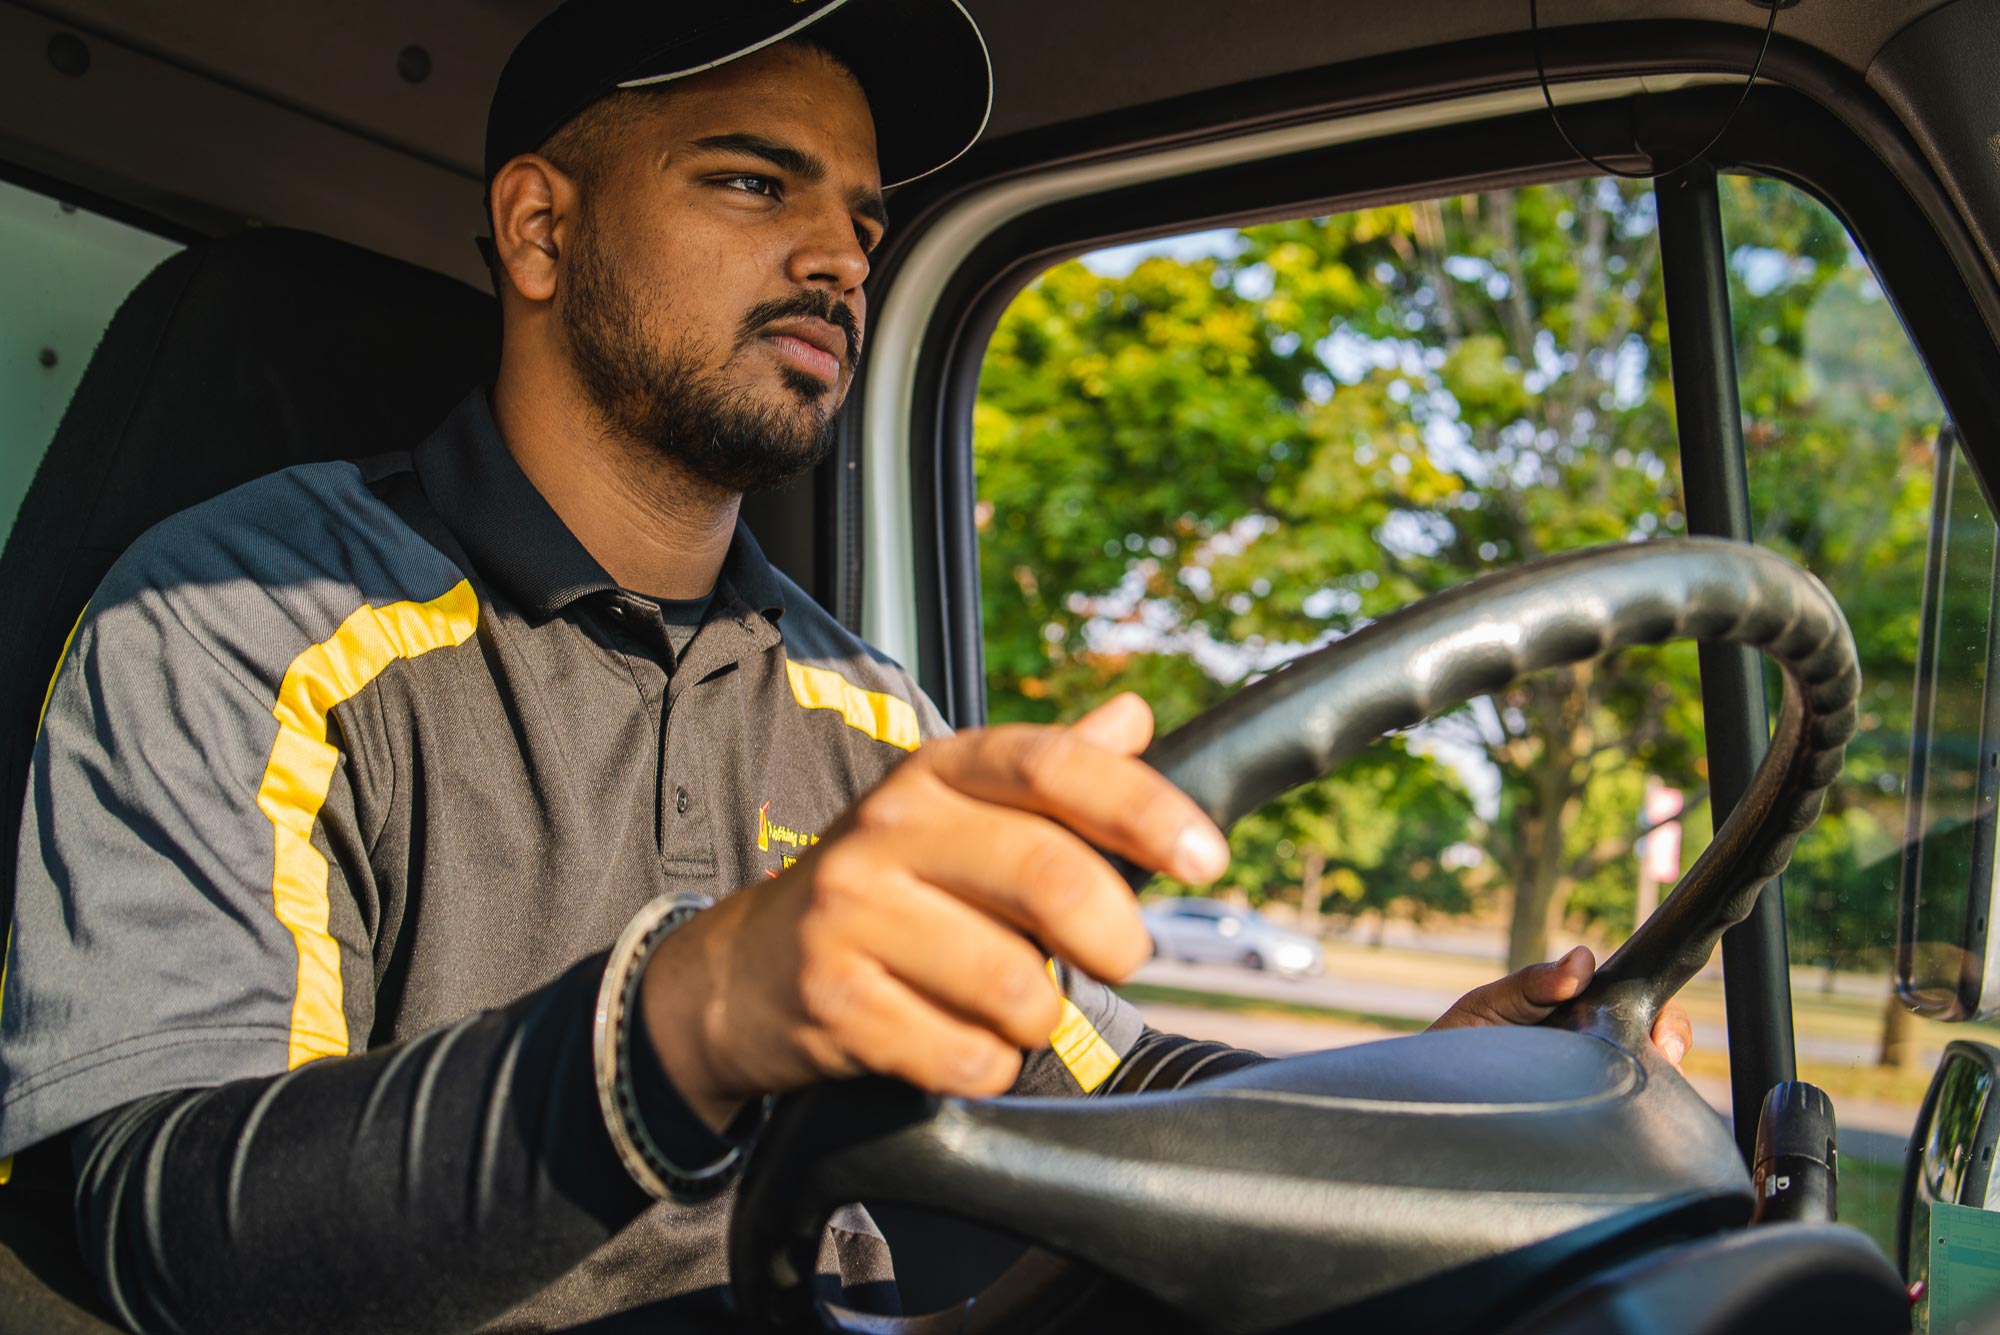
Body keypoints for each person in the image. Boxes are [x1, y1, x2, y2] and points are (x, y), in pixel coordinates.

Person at [0, 2, 1692, 1331]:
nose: (839, 257)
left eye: (865, 218)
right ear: (537, 230)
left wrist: (1427, 1082)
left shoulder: (864, 707)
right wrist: (700, 1011)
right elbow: (155, 1207)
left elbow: (1110, 1081)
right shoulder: (238, 615)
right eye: (753, 181)